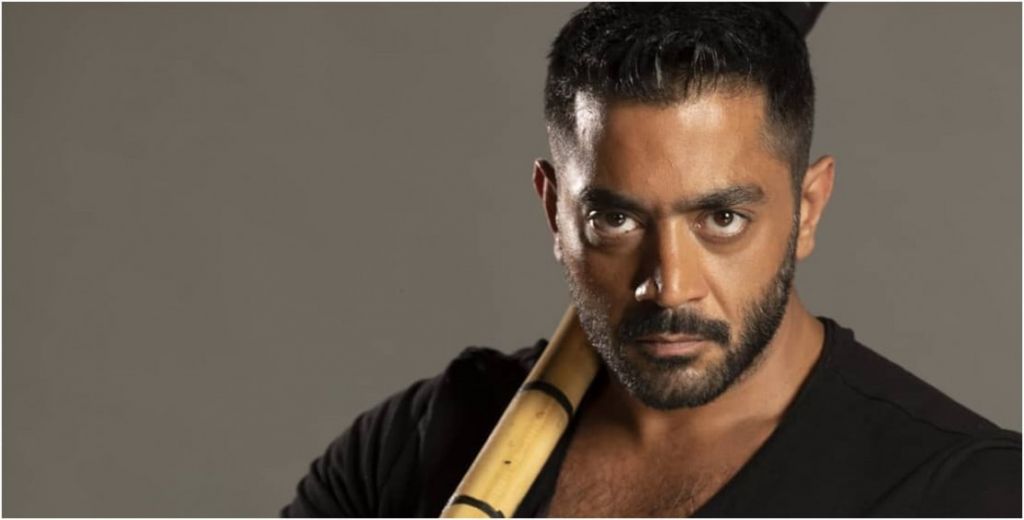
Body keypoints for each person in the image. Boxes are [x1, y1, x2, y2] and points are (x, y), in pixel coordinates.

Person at [282, 4, 1021, 517]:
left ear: (809, 207)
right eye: (615, 218)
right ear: (553, 209)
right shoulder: (408, 449)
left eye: (722, 219)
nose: (668, 284)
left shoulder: (972, 495)